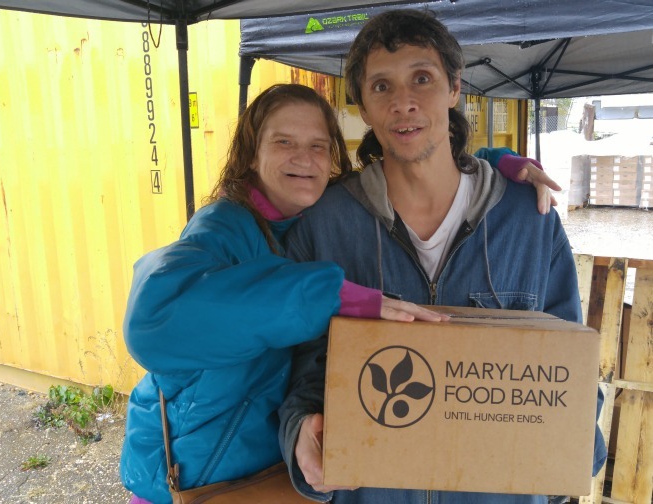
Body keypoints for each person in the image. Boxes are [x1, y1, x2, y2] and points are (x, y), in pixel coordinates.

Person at [278, 9, 607, 504]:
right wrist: (301, 431)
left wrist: (565, 456)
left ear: (454, 88)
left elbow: (570, 368)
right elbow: (300, 368)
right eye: (382, 86)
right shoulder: (324, 225)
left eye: (422, 79)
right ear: (363, 107)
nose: (403, 103)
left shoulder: (529, 219)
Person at [119, 83, 448, 504]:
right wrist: (329, 297)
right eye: (284, 142)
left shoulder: (310, 222)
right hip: (192, 484)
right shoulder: (223, 227)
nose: (304, 158)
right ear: (251, 154)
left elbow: (421, 168)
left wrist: (502, 165)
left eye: (317, 146)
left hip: (267, 478)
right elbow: (152, 319)